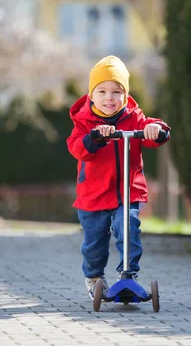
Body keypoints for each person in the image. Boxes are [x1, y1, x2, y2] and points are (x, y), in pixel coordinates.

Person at [66, 55, 170, 300]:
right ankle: (94, 278)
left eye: (116, 91)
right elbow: (77, 148)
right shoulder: (84, 122)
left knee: (129, 229)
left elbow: (152, 130)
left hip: (126, 193)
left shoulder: (134, 117)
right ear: (92, 95)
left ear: (126, 95)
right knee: (94, 245)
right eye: (102, 91)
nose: (109, 98)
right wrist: (94, 138)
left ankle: (128, 276)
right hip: (93, 196)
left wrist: (157, 130)